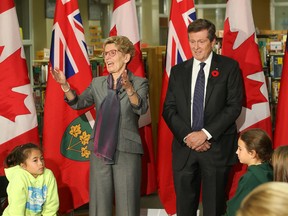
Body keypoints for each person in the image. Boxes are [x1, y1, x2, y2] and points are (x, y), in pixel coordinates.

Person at [51, 35, 149, 216]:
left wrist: (129, 89)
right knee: (99, 204)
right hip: (100, 148)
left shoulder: (139, 82)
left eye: (113, 53)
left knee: (127, 204)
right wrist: (65, 86)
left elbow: (140, 108)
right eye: (105, 54)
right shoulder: (98, 83)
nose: (108, 58)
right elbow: (78, 103)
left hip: (126, 149)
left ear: (126, 57)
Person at [162, 18, 243, 216]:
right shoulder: (179, 71)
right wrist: (190, 136)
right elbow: (169, 109)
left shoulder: (229, 67)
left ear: (213, 41)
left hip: (215, 148)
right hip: (185, 148)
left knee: (214, 208)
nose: (196, 47)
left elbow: (233, 107)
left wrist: (205, 134)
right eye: (192, 41)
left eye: (201, 41)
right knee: (185, 210)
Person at [224, 128, 273, 216]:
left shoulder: (250, 178)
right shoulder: (269, 169)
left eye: (240, 149)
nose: (236, 152)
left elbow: (235, 210)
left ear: (252, 153)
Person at [2, 143, 59, 216]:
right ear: (23, 166)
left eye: (41, 158)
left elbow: (51, 204)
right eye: (35, 160)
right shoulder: (19, 177)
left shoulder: (48, 174)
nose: (41, 163)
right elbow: (17, 209)